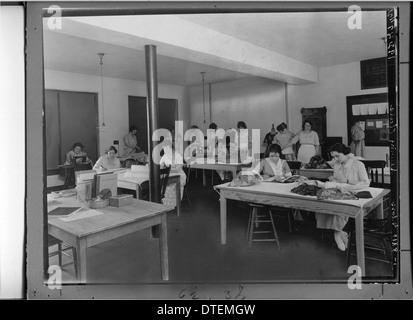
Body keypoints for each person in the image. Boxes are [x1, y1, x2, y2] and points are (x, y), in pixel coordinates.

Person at [308, 143, 370, 252]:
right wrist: (333, 180)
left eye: (337, 156)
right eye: (333, 157)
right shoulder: (337, 165)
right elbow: (338, 181)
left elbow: (365, 183)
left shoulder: (358, 164)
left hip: (355, 192)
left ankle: (337, 234)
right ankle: (341, 232)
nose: (335, 159)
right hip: (340, 190)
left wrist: (347, 181)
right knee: (324, 202)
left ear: (345, 153)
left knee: (339, 206)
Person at [160, 141, 187, 207]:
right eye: (164, 149)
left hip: (178, 175)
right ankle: (161, 202)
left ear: (171, 148)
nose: (165, 151)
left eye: (166, 149)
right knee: (160, 183)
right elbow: (160, 165)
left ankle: (169, 205)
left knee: (168, 185)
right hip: (168, 175)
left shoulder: (178, 155)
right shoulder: (164, 156)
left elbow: (178, 168)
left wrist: (169, 169)